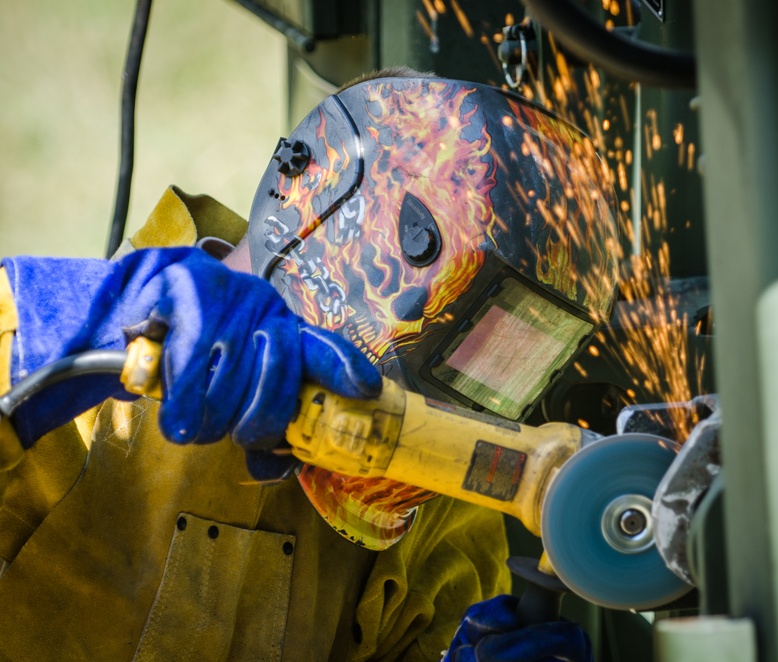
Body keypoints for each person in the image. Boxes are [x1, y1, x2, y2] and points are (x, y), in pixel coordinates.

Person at [0, 69, 617, 660]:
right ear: (323, 198)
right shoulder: (85, 381)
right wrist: (60, 331)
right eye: (468, 331)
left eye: (511, 359)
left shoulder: (440, 517)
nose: (470, 383)